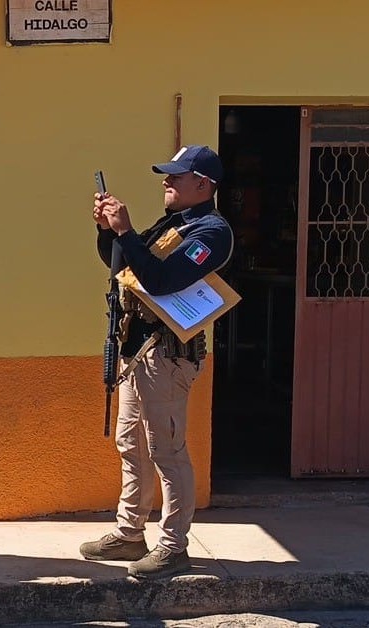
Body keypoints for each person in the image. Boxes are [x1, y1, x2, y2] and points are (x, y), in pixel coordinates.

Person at [79, 145, 235, 580]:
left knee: (167, 450)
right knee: (131, 445)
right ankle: (130, 531)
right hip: (139, 350)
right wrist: (109, 232)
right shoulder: (177, 223)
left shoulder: (211, 233)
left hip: (167, 355)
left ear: (202, 185)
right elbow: (129, 265)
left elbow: (163, 280)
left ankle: (173, 545)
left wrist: (127, 231)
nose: (166, 182)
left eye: (176, 177)